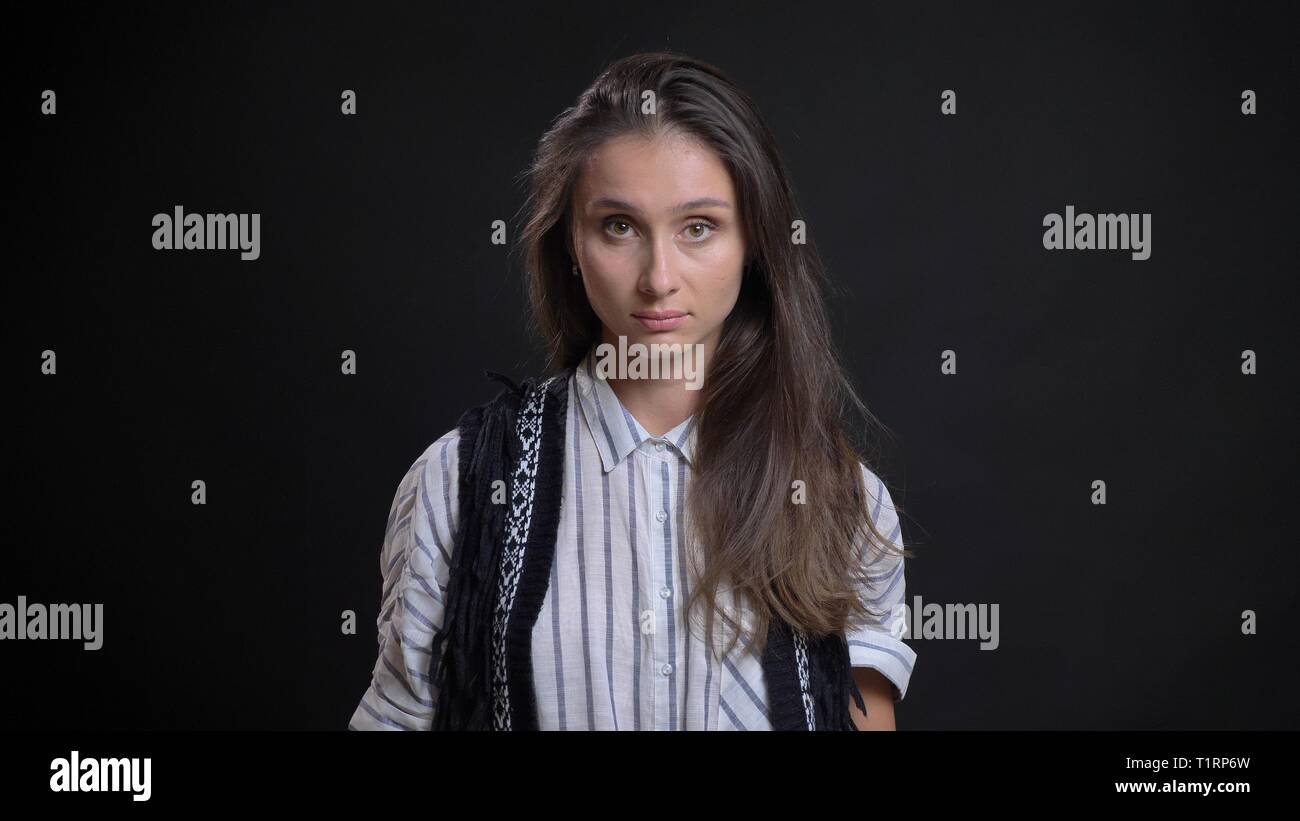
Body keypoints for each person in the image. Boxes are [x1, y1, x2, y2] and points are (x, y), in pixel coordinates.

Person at [349, 51, 916, 731]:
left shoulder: (839, 500)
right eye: (619, 225)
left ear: (754, 245)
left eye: (699, 227)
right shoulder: (459, 483)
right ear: (570, 245)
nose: (658, 276)